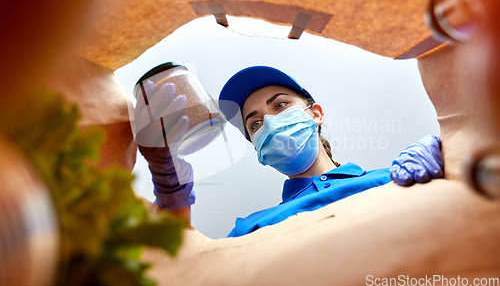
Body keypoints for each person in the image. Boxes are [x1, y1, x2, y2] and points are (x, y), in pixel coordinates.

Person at [135, 65, 444, 236]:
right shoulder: (252, 227)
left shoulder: (397, 176)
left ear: (315, 114)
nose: (269, 122)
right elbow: (187, 265)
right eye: (254, 124)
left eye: (280, 105)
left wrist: (451, 154)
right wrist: (169, 186)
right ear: (257, 150)